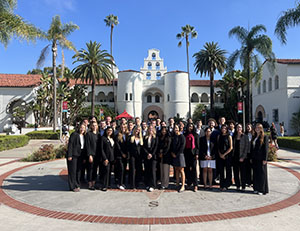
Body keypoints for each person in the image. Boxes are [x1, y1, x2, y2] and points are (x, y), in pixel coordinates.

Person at [66, 122, 86, 192]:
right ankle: (72, 186)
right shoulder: (74, 134)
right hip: (73, 155)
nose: (82, 129)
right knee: (72, 171)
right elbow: (70, 145)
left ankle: (77, 184)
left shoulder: (84, 135)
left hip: (80, 155)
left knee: (78, 171)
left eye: (83, 128)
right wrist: (69, 155)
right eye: (81, 127)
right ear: (78, 128)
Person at [251, 123, 269, 195]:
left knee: (262, 174)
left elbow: (266, 149)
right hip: (255, 158)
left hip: (261, 159)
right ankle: (256, 188)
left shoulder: (265, 137)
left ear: (261, 129)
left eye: (259, 128)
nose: (257, 129)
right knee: (255, 173)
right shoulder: (254, 136)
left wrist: (265, 159)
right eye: (256, 127)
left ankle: (262, 189)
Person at [232, 124, 249, 191]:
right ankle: (238, 185)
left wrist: (243, 157)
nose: (239, 128)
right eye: (238, 127)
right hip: (235, 156)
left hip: (242, 157)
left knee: (243, 172)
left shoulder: (245, 136)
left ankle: (243, 186)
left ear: (242, 128)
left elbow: (246, 147)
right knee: (236, 172)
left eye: (240, 127)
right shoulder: (234, 136)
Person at [184, 123, 199, 192]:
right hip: (186, 153)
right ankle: (189, 182)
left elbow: (197, 146)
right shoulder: (185, 135)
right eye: (189, 126)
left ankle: (195, 184)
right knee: (187, 169)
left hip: (193, 154)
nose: (190, 128)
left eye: (191, 126)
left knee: (193, 169)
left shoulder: (196, 135)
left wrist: (197, 154)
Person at [170, 124, 186, 192]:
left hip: (180, 155)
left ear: (179, 129)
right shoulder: (173, 137)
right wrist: (172, 153)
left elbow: (182, 146)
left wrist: (176, 154)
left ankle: (182, 185)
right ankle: (177, 183)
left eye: (177, 128)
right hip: (174, 155)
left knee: (181, 170)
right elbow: (171, 145)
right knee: (176, 169)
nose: (176, 129)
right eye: (174, 128)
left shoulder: (182, 136)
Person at [217, 124, 233, 191]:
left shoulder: (229, 136)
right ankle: (221, 184)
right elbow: (217, 146)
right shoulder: (219, 136)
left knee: (228, 170)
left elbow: (231, 147)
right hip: (220, 155)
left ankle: (227, 184)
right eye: (222, 128)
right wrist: (220, 154)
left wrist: (224, 154)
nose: (223, 130)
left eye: (225, 128)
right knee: (221, 171)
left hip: (227, 155)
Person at [85, 121, 100, 190]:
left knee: (95, 169)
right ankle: (90, 184)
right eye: (93, 125)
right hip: (91, 154)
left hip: (97, 154)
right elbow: (87, 145)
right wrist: (89, 155)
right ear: (91, 126)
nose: (94, 127)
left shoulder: (98, 134)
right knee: (90, 169)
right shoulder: (88, 134)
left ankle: (94, 183)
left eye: (95, 125)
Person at [143, 125, 158, 192]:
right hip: (146, 156)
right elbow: (143, 147)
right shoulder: (145, 137)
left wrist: (151, 154)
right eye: (149, 129)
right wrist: (147, 154)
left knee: (152, 171)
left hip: (153, 156)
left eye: (152, 129)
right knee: (147, 170)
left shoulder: (156, 138)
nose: (150, 130)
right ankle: (147, 184)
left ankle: (153, 185)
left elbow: (156, 147)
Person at [114, 123, 129, 190]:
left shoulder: (127, 135)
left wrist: (126, 154)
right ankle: (119, 183)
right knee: (121, 169)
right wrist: (122, 153)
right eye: (122, 127)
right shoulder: (117, 135)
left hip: (126, 155)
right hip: (119, 155)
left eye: (124, 127)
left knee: (124, 170)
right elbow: (117, 146)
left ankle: (123, 183)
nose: (123, 129)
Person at [101, 127, 115, 191]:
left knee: (109, 172)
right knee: (105, 171)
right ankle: (104, 185)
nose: (109, 132)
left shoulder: (112, 138)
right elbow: (101, 149)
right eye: (108, 130)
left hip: (111, 158)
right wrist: (105, 158)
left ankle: (108, 184)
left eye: (111, 130)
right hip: (106, 158)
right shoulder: (103, 138)